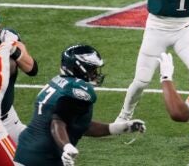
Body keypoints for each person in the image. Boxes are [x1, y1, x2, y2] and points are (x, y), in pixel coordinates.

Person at [14, 44, 146, 166]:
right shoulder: (78, 89)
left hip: (26, 151)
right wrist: (66, 146)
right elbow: (57, 123)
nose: (95, 73)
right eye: (92, 69)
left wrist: (118, 128)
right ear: (79, 68)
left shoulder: (59, 81)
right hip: (44, 157)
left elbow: (78, 124)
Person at [0, 5, 38, 144]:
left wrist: (13, 50)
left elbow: (32, 69)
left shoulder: (6, 37)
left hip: (7, 119)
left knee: (43, 152)